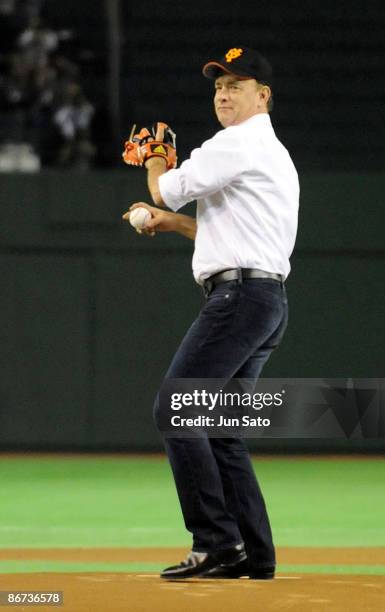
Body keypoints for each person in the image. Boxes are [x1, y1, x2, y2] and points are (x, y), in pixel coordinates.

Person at [122, 46, 299, 579]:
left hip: (239, 301)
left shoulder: (238, 141)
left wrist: (156, 161)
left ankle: (215, 542)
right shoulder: (273, 155)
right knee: (219, 429)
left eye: (237, 85)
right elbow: (224, 233)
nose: (224, 93)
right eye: (219, 86)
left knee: (176, 411)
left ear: (263, 97)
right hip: (264, 300)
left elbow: (168, 190)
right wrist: (170, 224)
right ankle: (253, 553)